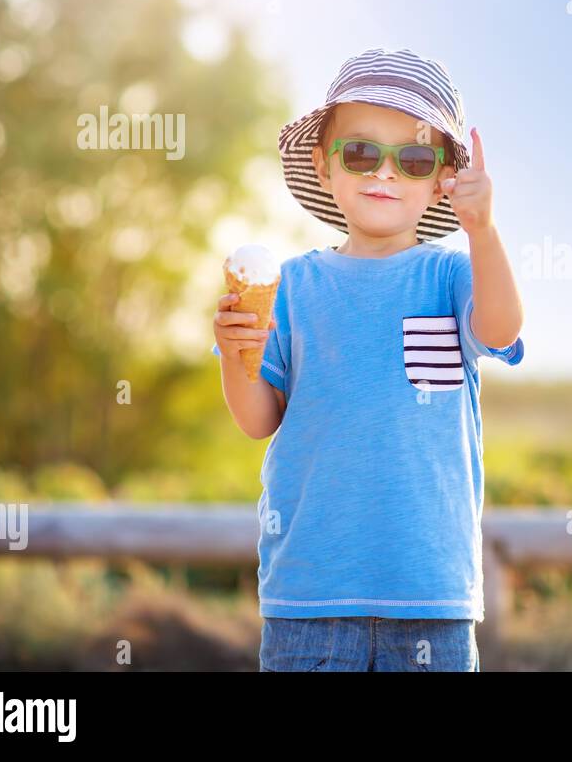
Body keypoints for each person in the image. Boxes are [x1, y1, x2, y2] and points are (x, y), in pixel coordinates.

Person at [211, 48, 525, 671]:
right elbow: (257, 420)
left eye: (411, 159)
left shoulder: (452, 276)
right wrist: (234, 353)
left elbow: (502, 326)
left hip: (431, 596)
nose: (384, 173)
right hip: (309, 594)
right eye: (360, 153)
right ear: (325, 168)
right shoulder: (292, 286)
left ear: (441, 179)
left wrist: (484, 232)